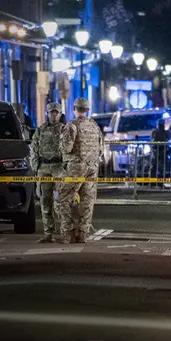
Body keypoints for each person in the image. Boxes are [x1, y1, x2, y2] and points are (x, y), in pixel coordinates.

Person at [56, 97, 103, 244]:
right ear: (88, 110)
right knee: (87, 200)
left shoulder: (72, 126)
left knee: (63, 198)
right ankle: (83, 233)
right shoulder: (95, 126)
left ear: (74, 109)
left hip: (76, 166)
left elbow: (67, 148)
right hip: (92, 167)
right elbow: (101, 149)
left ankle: (68, 233)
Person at [29, 102, 65, 243]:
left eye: (56, 112)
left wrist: (66, 167)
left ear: (60, 114)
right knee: (45, 200)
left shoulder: (65, 130)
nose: (54, 115)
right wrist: (36, 167)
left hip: (58, 167)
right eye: (51, 112)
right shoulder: (40, 130)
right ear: (47, 113)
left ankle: (64, 231)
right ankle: (48, 232)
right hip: (44, 167)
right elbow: (34, 148)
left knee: (61, 201)